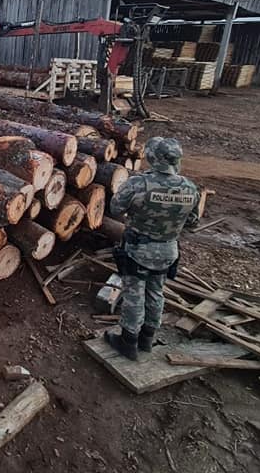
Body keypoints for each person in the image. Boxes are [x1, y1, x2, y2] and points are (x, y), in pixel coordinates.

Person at [105, 137, 200, 361]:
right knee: (156, 292)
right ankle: (147, 338)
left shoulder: (139, 183)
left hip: (139, 250)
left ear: (154, 158)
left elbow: (115, 208)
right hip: (168, 250)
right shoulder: (190, 187)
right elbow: (193, 221)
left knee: (134, 294)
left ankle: (128, 341)